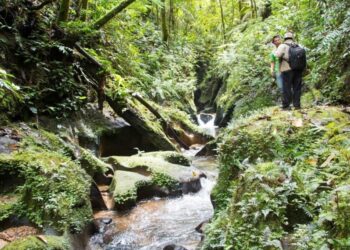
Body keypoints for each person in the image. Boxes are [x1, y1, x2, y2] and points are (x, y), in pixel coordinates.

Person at [274, 32, 304, 110]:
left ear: (284, 39)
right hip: (298, 69)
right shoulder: (298, 45)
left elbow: (277, 55)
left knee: (287, 88)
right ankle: (297, 105)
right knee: (297, 87)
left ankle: (286, 106)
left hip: (287, 69)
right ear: (292, 38)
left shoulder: (283, 46)